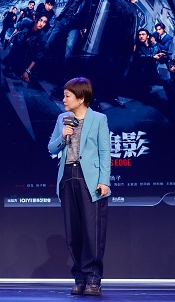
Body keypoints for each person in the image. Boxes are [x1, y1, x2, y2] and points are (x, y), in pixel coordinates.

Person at [48, 77, 111, 297]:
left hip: (90, 179)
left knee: (92, 231)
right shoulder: (62, 119)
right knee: (73, 232)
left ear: (81, 98)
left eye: (67, 96)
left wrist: (104, 180)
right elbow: (51, 147)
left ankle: (93, 279)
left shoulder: (99, 119)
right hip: (67, 176)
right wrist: (63, 136)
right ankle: (80, 279)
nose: (64, 100)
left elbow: (104, 152)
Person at [94, 0, 138, 108]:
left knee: (119, 71)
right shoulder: (118, 2)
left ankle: (112, 96)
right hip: (114, 42)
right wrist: (132, 4)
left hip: (127, 44)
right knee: (106, 69)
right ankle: (96, 98)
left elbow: (134, 25)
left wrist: (134, 41)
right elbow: (124, 15)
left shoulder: (132, 7)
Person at [46, 0, 103, 65]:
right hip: (64, 19)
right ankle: (40, 60)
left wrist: (85, 26)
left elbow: (90, 13)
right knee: (51, 40)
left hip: (76, 24)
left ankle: (64, 68)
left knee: (70, 47)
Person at [2, 14, 49, 83]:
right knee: (19, 42)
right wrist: (11, 37)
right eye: (40, 20)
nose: (41, 24)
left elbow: (37, 56)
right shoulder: (27, 24)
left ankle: (17, 67)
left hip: (28, 58)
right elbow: (18, 32)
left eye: (44, 22)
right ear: (36, 19)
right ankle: (10, 65)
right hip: (18, 52)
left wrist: (27, 71)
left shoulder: (42, 37)